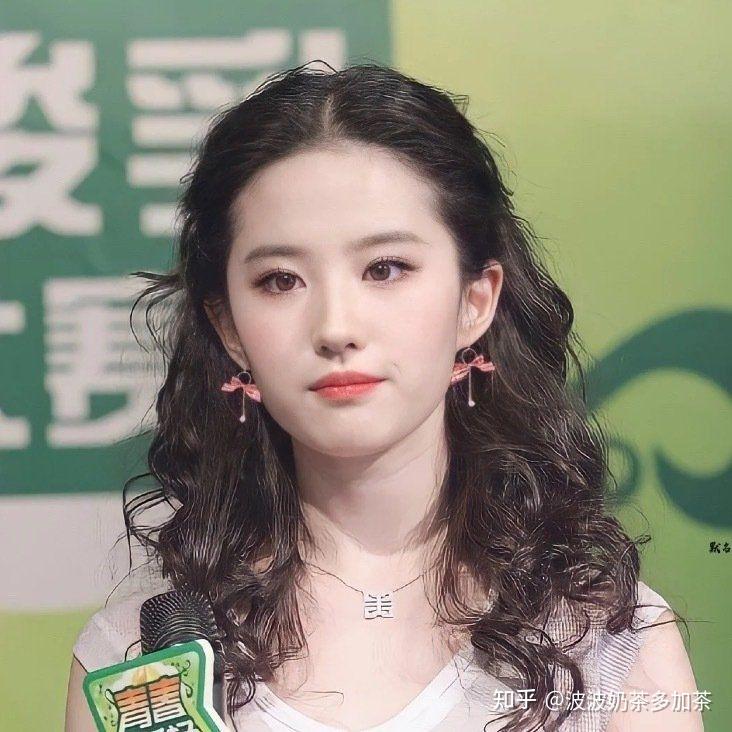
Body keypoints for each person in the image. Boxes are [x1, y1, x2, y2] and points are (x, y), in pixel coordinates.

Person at [65, 61, 702, 732]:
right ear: (228, 327)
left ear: (475, 301)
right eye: (280, 280)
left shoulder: (610, 642)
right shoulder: (140, 664)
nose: (336, 327)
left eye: (386, 268)